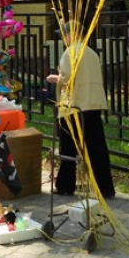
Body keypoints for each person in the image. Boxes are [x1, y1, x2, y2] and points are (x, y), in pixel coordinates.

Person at [46, 21, 116, 199]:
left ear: (71, 34)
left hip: (73, 107)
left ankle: (65, 185)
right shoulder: (91, 53)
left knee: (68, 149)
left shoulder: (70, 52)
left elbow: (67, 77)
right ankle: (105, 188)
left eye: (65, 34)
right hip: (92, 105)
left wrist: (56, 79)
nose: (64, 37)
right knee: (96, 148)